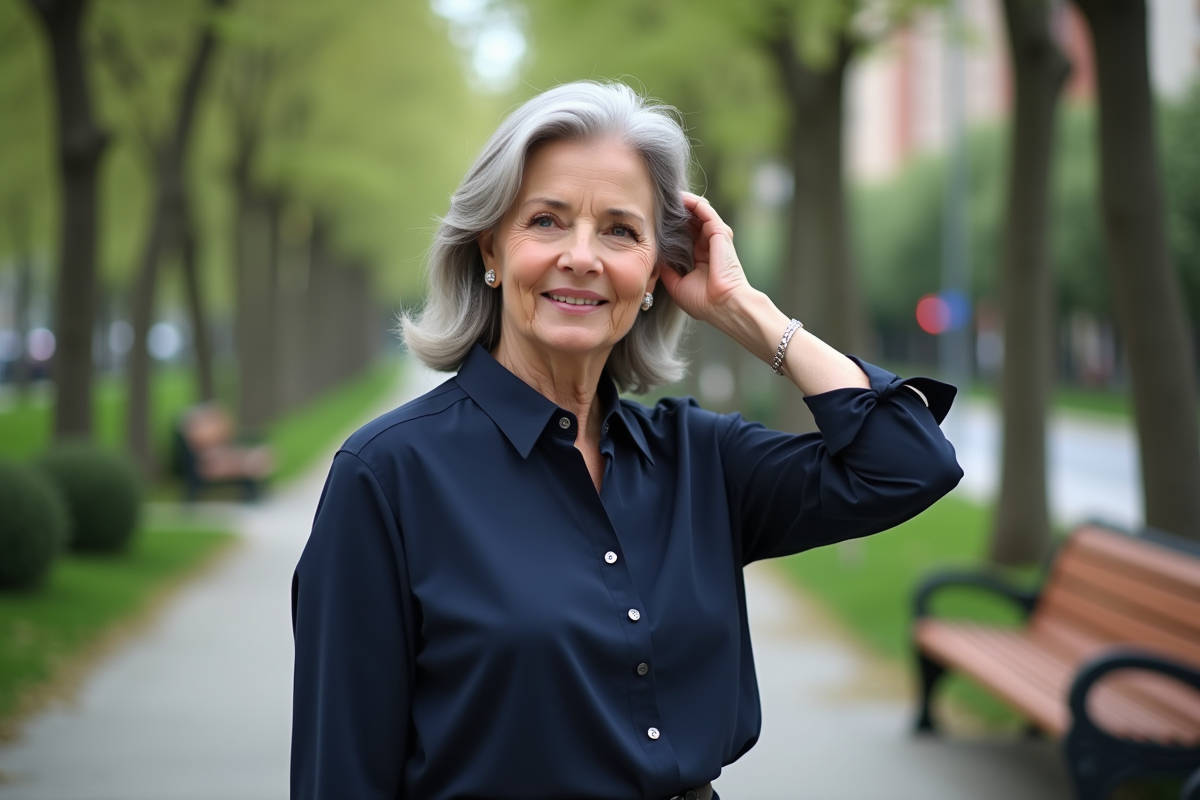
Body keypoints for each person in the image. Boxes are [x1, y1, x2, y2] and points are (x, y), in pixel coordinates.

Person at [290, 81, 962, 800]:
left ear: (653, 275)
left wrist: (749, 312)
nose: (582, 257)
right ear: (491, 248)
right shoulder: (388, 477)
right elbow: (343, 775)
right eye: (546, 221)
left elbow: (907, 463)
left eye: (620, 230)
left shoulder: (696, 459)